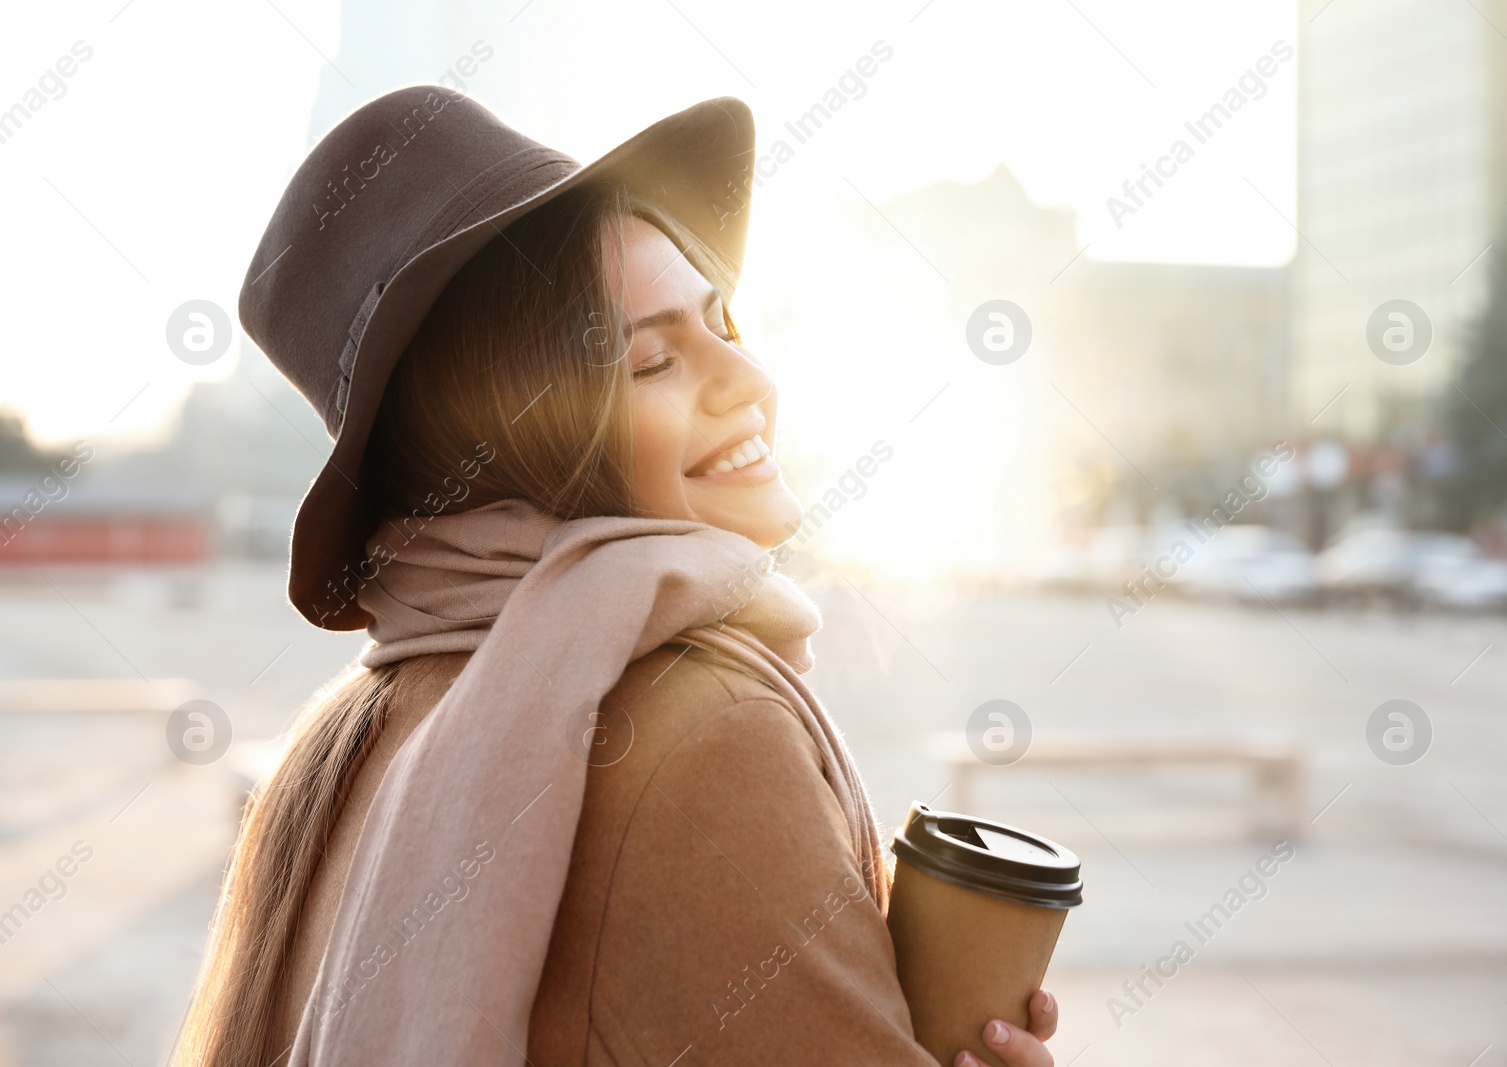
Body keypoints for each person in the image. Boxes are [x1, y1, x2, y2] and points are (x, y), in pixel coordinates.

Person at [170, 86, 1058, 1067]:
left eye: (720, 319)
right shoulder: (700, 726)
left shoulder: (347, 735)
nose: (749, 379)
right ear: (507, 440)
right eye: (650, 361)